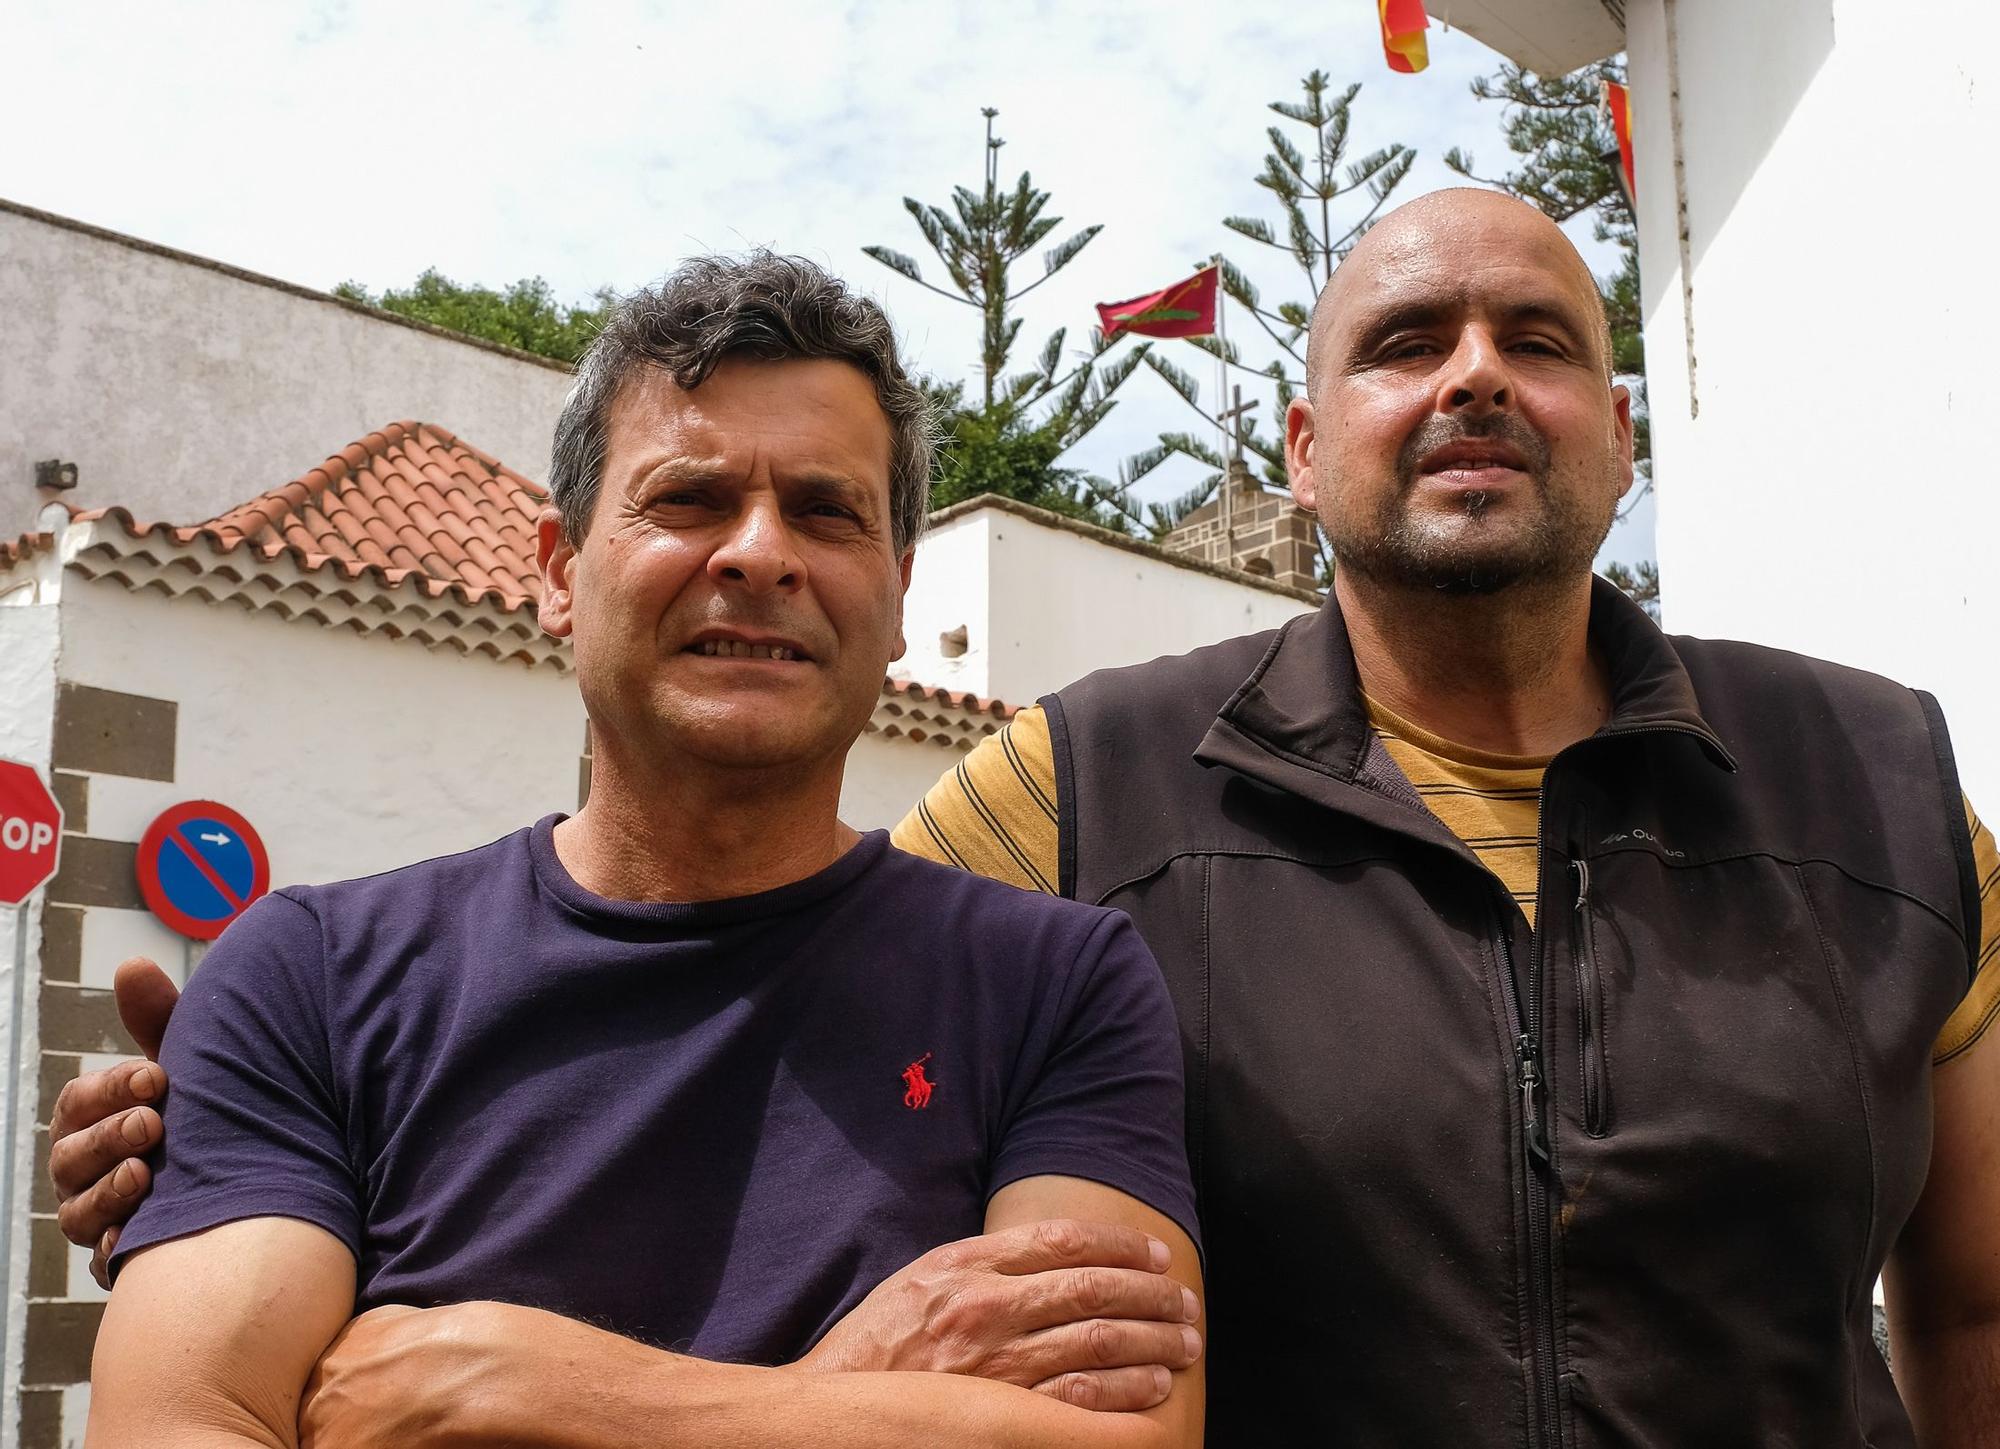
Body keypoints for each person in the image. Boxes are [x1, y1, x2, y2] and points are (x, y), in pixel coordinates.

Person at [56, 190, 2000, 1445]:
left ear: (1619, 430)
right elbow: (735, 953)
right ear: (1302, 445)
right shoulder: (1089, 782)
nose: (1474, 377)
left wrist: (540, 1385)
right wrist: (260, 1092)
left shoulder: (1881, 783)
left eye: (1540, 338)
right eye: (1404, 343)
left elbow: (1978, 1293)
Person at [70, 254, 1206, 1448]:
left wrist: (519, 1386)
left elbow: (1120, 1435)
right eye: (689, 499)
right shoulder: (307, 977)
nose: (760, 554)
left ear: (899, 595)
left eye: (826, 512)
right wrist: (849, 1393)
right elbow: (182, 1423)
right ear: (560, 574)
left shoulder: (1055, 988)